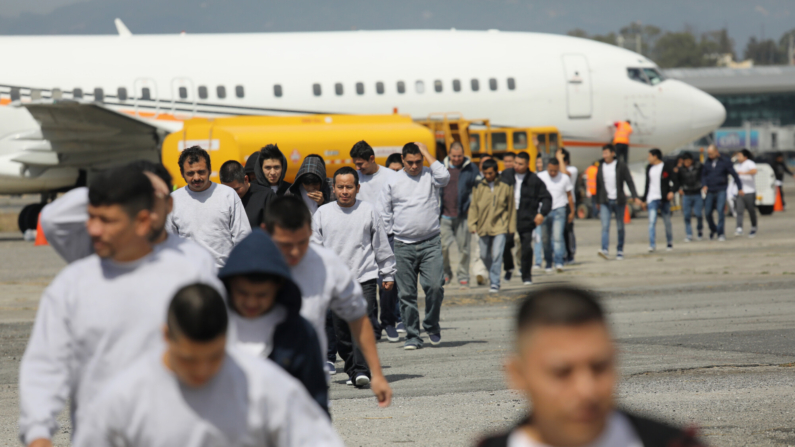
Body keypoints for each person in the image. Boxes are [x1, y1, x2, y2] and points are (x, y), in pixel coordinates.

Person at [19, 168, 224, 447]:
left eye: (106, 220)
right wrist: (37, 433)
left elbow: (222, 350)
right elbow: (45, 364)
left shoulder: (189, 270)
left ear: (141, 222)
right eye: (91, 217)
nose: (91, 229)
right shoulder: (73, 284)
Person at [73, 284, 343, 447]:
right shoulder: (125, 397)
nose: (202, 371)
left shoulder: (262, 385)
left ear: (228, 338)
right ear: (167, 336)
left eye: (214, 358)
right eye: (188, 359)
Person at [475, 285, 705, 447]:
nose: (587, 391)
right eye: (561, 373)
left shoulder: (675, 443)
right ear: (517, 375)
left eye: (599, 367)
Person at [263, 196, 393, 405]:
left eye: (302, 242)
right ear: (268, 231)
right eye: (286, 244)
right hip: (265, 385)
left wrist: (377, 374)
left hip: (312, 386)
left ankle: (359, 369)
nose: (295, 252)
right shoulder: (253, 271)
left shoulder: (327, 265)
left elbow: (359, 319)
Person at [219, 229, 328, 413]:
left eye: (262, 295)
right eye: (243, 293)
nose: (251, 302)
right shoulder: (213, 325)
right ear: (229, 286)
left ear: (278, 287)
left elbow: (315, 401)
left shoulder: (298, 333)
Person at [39, 160, 215, 275]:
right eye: (137, 197)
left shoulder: (193, 260)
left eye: (153, 197)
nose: (144, 207)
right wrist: (112, 191)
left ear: (169, 204)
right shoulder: (100, 256)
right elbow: (52, 219)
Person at [312, 167, 396, 385]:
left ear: (358, 188)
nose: (345, 191)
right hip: (336, 283)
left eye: (349, 187)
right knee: (341, 332)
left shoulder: (368, 210)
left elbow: (381, 245)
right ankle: (352, 368)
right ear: (333, 188)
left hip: (364, 277)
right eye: (340, 187)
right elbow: (315, 248)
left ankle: (361, 370)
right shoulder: (322, 213)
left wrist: (388, 273)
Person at [379, 142, 450, 350]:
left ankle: (431, 324)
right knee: (407, 294)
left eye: (418, 162)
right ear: (402, 160)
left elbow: (445, 177)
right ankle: (412, 335)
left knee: (435, 286)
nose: (414, 166)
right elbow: (384, 213)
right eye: (409, 162)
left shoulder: (430, 175)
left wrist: (427, 152)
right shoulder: (393, 181)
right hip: (403, 244)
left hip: (431, 243)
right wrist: (389, 242)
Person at [350, 141, 402, 341]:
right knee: (366, 283)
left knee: (387, 283)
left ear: (372, 159)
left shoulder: (391, 176)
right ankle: (372, 326)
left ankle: (389, 322)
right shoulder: (356, 179)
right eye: (355, 164)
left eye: (361, 164)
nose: (358, 167)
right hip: (362, 237)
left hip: (388, 235)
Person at [167, 146, 251, 268]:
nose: (196, 178)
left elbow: (243, 236)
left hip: (224, 272)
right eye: (190, 173)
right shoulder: (173, 200)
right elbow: (169, 242)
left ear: (210, 170)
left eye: (201, 172)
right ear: (182, 173)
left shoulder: (227, 194)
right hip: (189, 273)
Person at [468, 158, 516, 292]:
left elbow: (511, 208)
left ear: (496, 172)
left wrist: (511, 228)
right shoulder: (478, 186)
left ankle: (495, 282)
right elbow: (473, 207)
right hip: (483, 226)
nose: (488, 176)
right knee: (483, 255)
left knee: (497, 254)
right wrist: (472, 224)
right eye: (485, 173)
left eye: (490, 173)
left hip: (500, 226)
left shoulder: (506, 185)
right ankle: (492, 274)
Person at [440, 141, 480, 287]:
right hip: (444, 215)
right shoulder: (441, 167)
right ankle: (445, 273)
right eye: (454, 156)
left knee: (464, 249)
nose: (457, 158)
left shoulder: (471, 168)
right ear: (449, 154)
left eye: (459, 156)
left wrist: (473, 207)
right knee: (442, 247)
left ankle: (463, 275)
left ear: (463, 154)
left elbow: (479, 188)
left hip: (463, 215)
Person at [596, 145, 640, 260]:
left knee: (620, 226)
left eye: (606, 153)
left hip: (619, 200)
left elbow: (629, 181)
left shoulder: (621, 165)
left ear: (612, 153)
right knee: (605, 226)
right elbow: (598, 185)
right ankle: (604, 249)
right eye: (603, 153)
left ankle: (620, 250)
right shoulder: (601, 166)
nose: (604, 156)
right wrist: (597, 200)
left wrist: (635, 196)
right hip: (605, 201)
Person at [537, 158, 575, 273]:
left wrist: (572, 211)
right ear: (547, 167)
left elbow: (569, 195)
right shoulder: (540, 176)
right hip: (544, 211)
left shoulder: (564, 178)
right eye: (550, 170)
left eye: (555, 171)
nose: (553, 173)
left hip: (560, 209)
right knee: (545, 238)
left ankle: (559, 261)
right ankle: (549, 261)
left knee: (558, 237)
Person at [499, 152, 532, 282]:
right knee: (506, 243)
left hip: (524, 215)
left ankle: (524, 271)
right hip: (508, 214)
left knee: (524, 245)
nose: (515, 165)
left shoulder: (531, 177)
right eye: (514, 163)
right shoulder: (504, 176)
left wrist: (539, 213)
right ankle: (509, 267)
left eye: (517, 163)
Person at [702, 144, 743, 241]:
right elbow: (703, 175)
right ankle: (713, 229)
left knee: (720, 211)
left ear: (716, 152)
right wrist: (704, 185)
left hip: (721, 189)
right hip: (710, 190)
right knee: (707, 212)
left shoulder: (724, 161)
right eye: (708, 154)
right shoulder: (707, 162)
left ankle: (721, 233)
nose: (710, 156)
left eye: (711, 154)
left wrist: (739, 187)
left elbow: (734, 174)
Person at [220, 159, 275, 229]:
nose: (232, 194)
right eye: (228, 190)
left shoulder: (267, 197)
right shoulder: (219, 199)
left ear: (246, 179)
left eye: (236, 189)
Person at [641, 149, 678, 252]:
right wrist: (644, 199)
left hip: (663, 198)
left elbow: (675, 181)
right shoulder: (649, 168)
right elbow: (647, 184)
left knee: (667, 221)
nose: (648, 158)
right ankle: (652, 244)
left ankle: (669, 242)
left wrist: (672, 192)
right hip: (652, 198)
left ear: (655, 156)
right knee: (652, 221)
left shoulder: (666, 166)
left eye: (649, 156)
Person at [677, 153, 704, 242]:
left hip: (697, 193)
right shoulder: (681, 170)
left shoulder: (698, 167)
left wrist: (704, 185)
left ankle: (699, 230)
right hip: (686, 194)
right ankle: (689, 234)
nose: (687, 163)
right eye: (685, 162)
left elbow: (704, 176)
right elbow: (677, 180)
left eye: (688, 161)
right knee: (687, 215)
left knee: (698, 214)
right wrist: (679, 188)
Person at [557, 148, 578, 264]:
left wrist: (560, 158)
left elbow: (565, 174)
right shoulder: (556, 171)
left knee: (568, 230)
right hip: (559, 203)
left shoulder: (572, 169)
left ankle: (571, 254)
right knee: (559, 231)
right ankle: (562, 254)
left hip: (569, 203)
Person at [734, 149, 758, 238]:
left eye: (739, 155)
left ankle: (753, 227)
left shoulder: (749, 163)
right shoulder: (737, 165)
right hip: (740, 191)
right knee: (739, 210)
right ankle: (739, 228)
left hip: (750, 191)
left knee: (751, 210)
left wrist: (743, 173)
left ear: (745, 157)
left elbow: (754, 171)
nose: (737, 157)